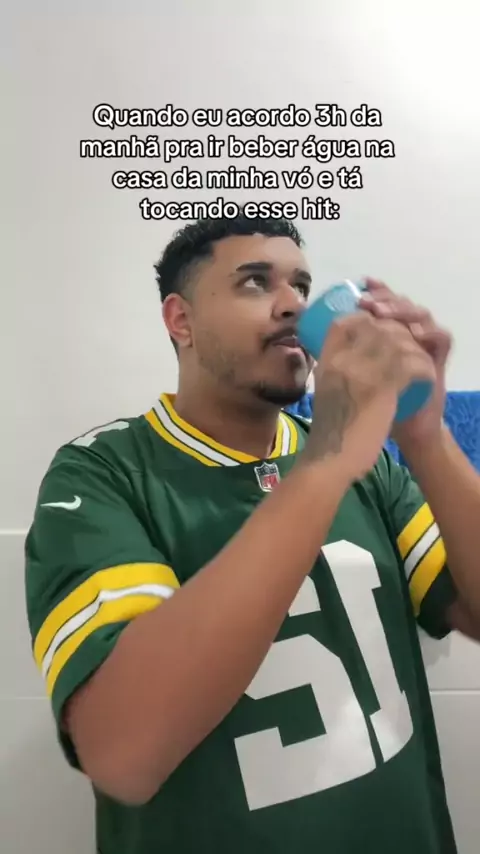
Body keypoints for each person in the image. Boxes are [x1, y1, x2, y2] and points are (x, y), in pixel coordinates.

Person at [25, 213, 480, 854]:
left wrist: (425, 435)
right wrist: (326, 461)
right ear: (180, 320)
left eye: (302, 284)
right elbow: (124, 756)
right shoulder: (104, 474)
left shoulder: (372, 464)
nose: (293, 304)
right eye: (255, 282)